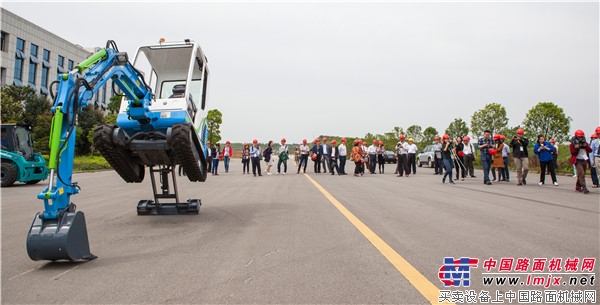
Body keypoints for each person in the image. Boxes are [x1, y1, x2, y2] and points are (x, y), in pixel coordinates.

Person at [570, 129, 592, 193]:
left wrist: (586, 146)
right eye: (579, 137)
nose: (580, 138)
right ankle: (584, 187)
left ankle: (577, 187)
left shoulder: (585, 143)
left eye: (581, 137)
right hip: (577, 160)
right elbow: (572, 153)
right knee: (581, 173)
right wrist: (576, 148)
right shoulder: (572, 144)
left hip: (584, 160)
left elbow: (590, 150)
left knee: (581, 174)